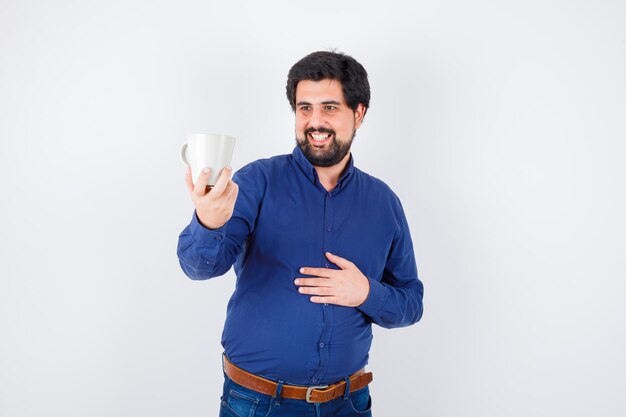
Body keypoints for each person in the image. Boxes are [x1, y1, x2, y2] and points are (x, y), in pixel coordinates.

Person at [177, 50, 424, 417]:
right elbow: (199, 267)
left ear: (358, 114)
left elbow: (411, 303)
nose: (315, 121)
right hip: (257, 404)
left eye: (329, 107)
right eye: (304, 108)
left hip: (349, 405)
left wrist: (366, 292)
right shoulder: (256, 181)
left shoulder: (384, 203)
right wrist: (209, 220)